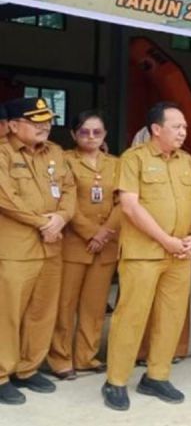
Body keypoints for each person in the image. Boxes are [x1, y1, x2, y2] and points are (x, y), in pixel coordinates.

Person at [102, 102, 191, 412]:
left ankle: (157, 376)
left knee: (171, 317)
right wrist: (166, 240)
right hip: (144, 255)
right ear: (156, 129)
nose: (183, 132)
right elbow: (130, 207)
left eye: (185, 127)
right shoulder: (133, 159)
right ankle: (116, 381)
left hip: (180, 255)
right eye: (177, 126)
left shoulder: (186, 160)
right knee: (131, 318)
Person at [0, 96, 75, 405]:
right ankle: (2, 373)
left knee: (42, 311)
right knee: (8, 314)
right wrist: (42, 222)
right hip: (16, 248)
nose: (44, 126)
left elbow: (70, 190)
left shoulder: (55, 153)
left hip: (52, 246)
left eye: (47, 120)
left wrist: (60, 218)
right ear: (14, 126)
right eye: (36, 121)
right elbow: (5, 196)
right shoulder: (2, 153)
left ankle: (29, 368)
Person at [47, 111, 120, 380]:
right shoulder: (64, 160)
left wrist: (104, 234)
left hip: (106, 245)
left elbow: (122, 201)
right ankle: (60, 358)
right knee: (64, 305)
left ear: (105, 136)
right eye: (85, 132)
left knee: (95, 306)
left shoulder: (116, 163)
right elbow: (66, 203)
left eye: (97, 132)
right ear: (73, 135)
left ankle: (86, 357)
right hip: (73, 244)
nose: (91, 137)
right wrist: (92, 232)